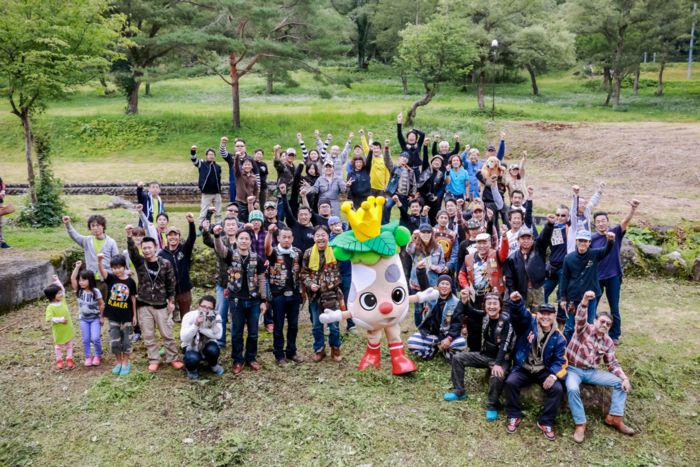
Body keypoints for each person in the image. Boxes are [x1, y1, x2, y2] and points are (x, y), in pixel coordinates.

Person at [565, 290, 635, 443]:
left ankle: (614, 418)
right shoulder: (584, 329)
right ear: (595, 320)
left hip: (591, 372)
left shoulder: (608, 342)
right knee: (572, 388)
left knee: (619, 383)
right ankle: (580, 424)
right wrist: (585, 300)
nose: (604, 325)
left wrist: (624, 378)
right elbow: (580, 317)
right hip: (573, 369)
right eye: (602, 321)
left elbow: (612, 363)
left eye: (608, 324)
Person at [504, 292, 567, 441]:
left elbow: (560, 360)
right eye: (542, 313)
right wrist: (517, 302)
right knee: (510, 382)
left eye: (549, 314)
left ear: (554, 316)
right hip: (524, 367)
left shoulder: (559, 337)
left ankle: (546, 421)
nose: (545, 317)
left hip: (543, 370)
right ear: (537, 314)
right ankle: (514, 415)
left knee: (557, 389)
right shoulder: (529, 323)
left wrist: (553, 375)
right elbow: (519, 315)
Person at [444, 292, 514, 422]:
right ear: (484, 306)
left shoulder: (506, 321)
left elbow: (505, 344)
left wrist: (498, 364)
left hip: (501, 358)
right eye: (489, 304)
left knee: (497, 376)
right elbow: (471, 312)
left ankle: (492, 405)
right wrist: (465, 301)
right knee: (458, 358)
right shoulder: (485, 316)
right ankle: (459, 391)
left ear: (500, 306)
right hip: (485, 355)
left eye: (495, 304)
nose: (491, 307)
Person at [126, 226, 183, 372]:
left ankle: (173, 358)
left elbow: (171, 283)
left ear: (155, 247)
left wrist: (171, 300)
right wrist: (129, 236)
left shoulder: (165, 263)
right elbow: (132, 251)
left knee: (167, 333)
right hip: (143, 304)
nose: (147, 250)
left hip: (161, 304)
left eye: (149, 248)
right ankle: (154, 359)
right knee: (148, 334)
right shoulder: (140, 262)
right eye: (144, 248)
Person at [213, 227, 268, 374]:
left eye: (246, 239)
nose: (244, 241)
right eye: (241, 238)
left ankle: (251, 358)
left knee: (253, 332)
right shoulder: (231, 255)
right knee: (237, 332)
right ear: (236, 241)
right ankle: (238, 359)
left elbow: (262, 279)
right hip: (236, 300)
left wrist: (263, 300)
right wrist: (217, 236)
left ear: (250, 241)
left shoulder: (257, 258)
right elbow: (220, 249)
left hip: (254, 300)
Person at [590, 199, 640, 344]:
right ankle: (592, 330)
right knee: (593, 305)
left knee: (614, 307)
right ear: (595, 224)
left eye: (603, 221)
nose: (601, 223)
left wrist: (633, 209)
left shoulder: (615, 232)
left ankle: (615, 335)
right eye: (598, 221)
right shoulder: (592, 239)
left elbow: (626, 221)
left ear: (608, 222)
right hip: (597, 277)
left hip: (613, 276)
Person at [559, 229, 615, 341]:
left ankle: (586, 346)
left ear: (589, 243)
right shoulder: (568, 258)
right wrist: (563, 298)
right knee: (570, 326)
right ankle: (566, 348)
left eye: (585, 241)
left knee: (589, 324)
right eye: (580, 240)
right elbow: (564, 278)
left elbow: (606, 250)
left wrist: (610, 241)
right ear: (576, 241)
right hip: (573, 298)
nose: (582, 243)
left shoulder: (594, 254)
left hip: (591, 297)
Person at [457, 232, 509, 352]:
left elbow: (504, 252)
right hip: (476, 296)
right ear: (476, 244)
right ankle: (474, 350)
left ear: (490, 243)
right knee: (473, 322)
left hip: (493, 297)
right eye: (479, 243)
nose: (482, 246)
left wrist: (504, 238)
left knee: (494, 323)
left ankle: (493, 350)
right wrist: (466, 287)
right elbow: (461, 274)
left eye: (485, 242)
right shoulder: (469, 258)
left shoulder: (496, 254)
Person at [300, 226, 344, 363]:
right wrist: (310, 284)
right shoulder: (308, 253)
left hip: (332, 294)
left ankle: (335, 349)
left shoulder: (335, 251)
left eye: (323, 235)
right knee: (316, 325)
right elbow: (303, 273)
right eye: (317, 235)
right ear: (314, 238)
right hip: (315, 296)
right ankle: (319, 350)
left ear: (328, 236)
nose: (320, 238)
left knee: (334, 326)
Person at [265, 225, 305, 366]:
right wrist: (269, 233)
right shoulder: (274, 252)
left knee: (293, 325)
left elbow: (301, 273)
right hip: (278, 295)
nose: (286, 240)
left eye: (289, 237)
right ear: (278, 238)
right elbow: (267, 249)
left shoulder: (298, 252)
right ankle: (279, 355)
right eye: (284, 237)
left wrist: (302, 292)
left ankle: (291, 352)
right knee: (279, 326)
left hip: (294, 295)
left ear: (292, 238)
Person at [407, 272, 466, 360]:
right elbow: (424, 285)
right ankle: (432, 351)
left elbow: (457, 324)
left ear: (450, 288)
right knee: (412, 342)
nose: (444, 286)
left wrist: (449, 338)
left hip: (446, 335)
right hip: (431, 334)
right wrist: (420, 270)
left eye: (447, 284)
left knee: (461, 343)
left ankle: (446, 351)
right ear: (438, 286)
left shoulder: (456, 302)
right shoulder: (431, 297)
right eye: (442, 283)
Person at [502, 215, 555, 312]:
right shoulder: (512, 258)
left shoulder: (539, 250)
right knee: (521, 316)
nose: (526, 241)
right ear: (518, 240)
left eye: (528, 238)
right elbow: (509, 279)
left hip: (537, 290)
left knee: (539, 315)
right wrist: (512, 292)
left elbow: (544, 237)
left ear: (532, 240)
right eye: (523, 238)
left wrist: (549, 225)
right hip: (521, 292)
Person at [98, 254, 138, 376]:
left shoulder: (131, 282)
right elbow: (102, 271)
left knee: (127, 341)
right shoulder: (111, 278)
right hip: (113, 316)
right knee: (114, 341)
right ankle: (119, 362)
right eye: (114, 268)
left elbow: (133, 299)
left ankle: (125, 363)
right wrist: (99, 261)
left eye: (119, 267)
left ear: (124, 267)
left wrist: (134, 315)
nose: (117, 270)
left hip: (127, 317)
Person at [202, 216, 238, 348]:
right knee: (220, 314)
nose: (231, 227)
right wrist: (206, 231)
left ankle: (235, 340)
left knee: (236, 315)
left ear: (237, 226)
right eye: (228, 225)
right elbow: (207, 240)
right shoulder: (220, 240)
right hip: (223, 283)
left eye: (233, 224)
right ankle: (220, 340)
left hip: (239, 285)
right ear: (224, 227)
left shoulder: (243, 240)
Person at [62, 215, 119, 296]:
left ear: (103, 226)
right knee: (91, 301)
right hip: (90, 279)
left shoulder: (111, 242)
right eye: (93, 226)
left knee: (104, 301)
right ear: (90, 228)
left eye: (98, 225)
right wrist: (67, 224)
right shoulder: (87, 241)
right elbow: (75, 236)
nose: (95, 228)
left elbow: (116, 261)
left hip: (105, 279)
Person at [157, 213, 196, 323]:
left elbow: (192, 237)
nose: (173, 237)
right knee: (168, 319)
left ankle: (185, 333)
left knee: (186, 318)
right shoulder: (161, 254)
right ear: (167, 237)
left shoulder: (184, 250)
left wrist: (191, 222)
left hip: (184, 290)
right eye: (170, 235)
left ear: (179, 236)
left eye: (175, 235)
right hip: (170, 292)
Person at [406, 224, 446, 326]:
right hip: (416, 282)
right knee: (418, 309)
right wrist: (412, 238)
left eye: (428, 232)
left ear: (432, 234)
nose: (426, 234)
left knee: (433, 306)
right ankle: (419, 328)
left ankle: (431, 327)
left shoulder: (438, 247)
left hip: (432, 282)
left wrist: (436, 268)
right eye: (423, 232)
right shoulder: (414, 246)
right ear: (420, 233)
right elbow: (408, 250)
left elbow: (442, 264)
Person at [180, 295, 225, 380]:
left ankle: (213, 364)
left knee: (213, 350)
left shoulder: (216, 317)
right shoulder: (189, 316)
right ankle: (192, 370)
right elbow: (183, 338)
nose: (205, 309)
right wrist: (195, 325)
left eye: (209, 308)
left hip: (207, 344)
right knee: (192, 358)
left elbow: (218, 335)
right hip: (191, 346)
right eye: (203, 306)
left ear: (213, 309)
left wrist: (201, 329)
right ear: (198, 306)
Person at [70, 261, 104, 367]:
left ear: (90, 280)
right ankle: (88, 356)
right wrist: (77, 267)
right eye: (80, 280)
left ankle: (98, 355)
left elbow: (101, 304)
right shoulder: (79, 291)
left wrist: (101, 317)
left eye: (84, 280)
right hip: (83, 319)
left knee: (95, 338)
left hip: (95, 319)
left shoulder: (96, 291)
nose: (81, 282)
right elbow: (72, 278)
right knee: (86, 339)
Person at [44, 275, 76, 370]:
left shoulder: (63, 300)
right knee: (58, 346)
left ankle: (69, 358)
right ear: (52, 296)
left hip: (68, 328)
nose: (61, 294)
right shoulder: (50, 307)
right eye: (58, 293)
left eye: (60, 292)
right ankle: (59, 360)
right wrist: (60, 320)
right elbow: (49, 318)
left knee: (69, 344)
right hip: (59, 330)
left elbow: (63, 289)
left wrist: (57, 280)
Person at [383, 147, 417, 225]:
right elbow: (387, 161)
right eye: (403, 157)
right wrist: (386, 149)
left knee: (404, 212)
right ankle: (385, 224)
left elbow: (414, 184)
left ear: (408, 160)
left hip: (405, 196)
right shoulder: (394, 168)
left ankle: (402, 226)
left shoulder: (411, 171)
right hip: (395, 194)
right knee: (387, 206)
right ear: (399, 158)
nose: (404, 159)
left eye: (406, 158)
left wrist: (412, 195)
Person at [567, 182, 604, 252]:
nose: (583, 205)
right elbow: (573, 210)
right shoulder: (573, 218)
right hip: (575, 248)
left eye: (584, 203)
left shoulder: (586, 212)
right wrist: (576, 195)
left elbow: (592, 202)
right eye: (581, 203)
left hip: (587, 245)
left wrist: (599, 192)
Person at [190, 145, 222, 225]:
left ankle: (218, 225)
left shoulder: (218, 167)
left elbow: (218, 179)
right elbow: (194, 160)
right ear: (206, 156)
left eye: (212, 154)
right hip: (206, 193)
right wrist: (193, 151)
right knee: (204, 211)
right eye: (209, 154)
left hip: (217, 193)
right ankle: (202, 226)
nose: (211, 156)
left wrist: (219, 190)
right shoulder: (202, 164)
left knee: (218, 212)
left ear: (215, 156)